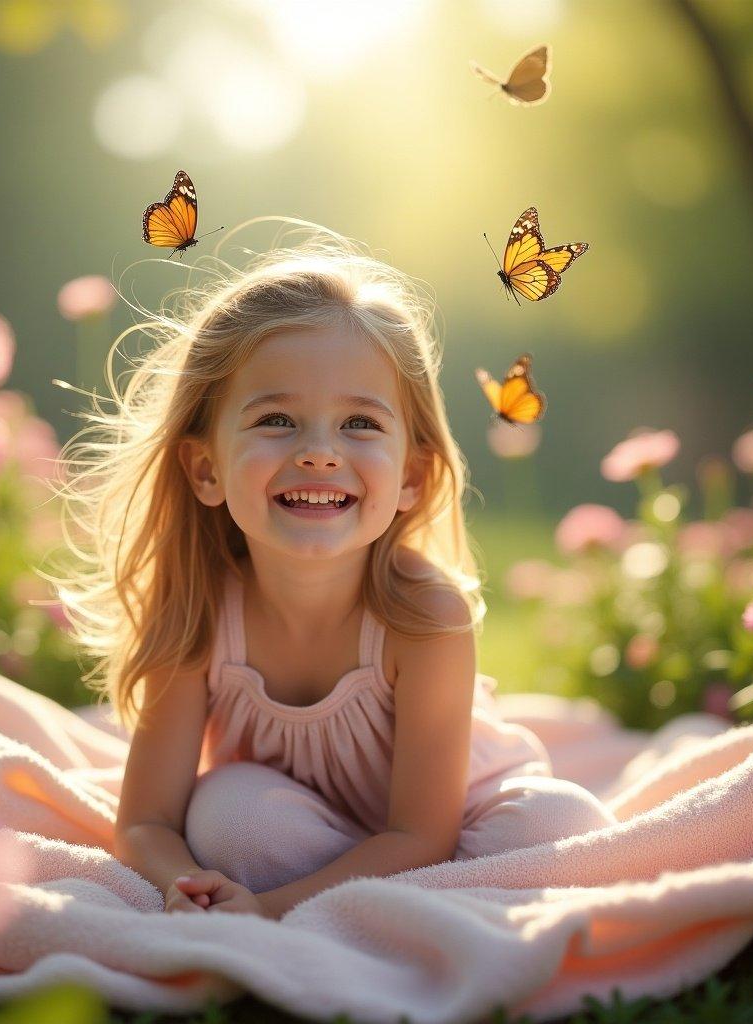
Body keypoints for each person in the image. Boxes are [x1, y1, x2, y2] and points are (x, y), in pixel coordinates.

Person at [55, 227, 617, 922]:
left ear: (410, 476)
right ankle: (357, 904)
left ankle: (365, 906)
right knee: (228, 819)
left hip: (447, 828)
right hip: (303, 832)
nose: (319, 453)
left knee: (553, 824)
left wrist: (265, 909)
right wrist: (183, 885)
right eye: (277, 420)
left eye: (358, 424)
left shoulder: (425, 618)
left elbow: (422, 834)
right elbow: (144, 824)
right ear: (205, 469)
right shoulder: (200, 614)